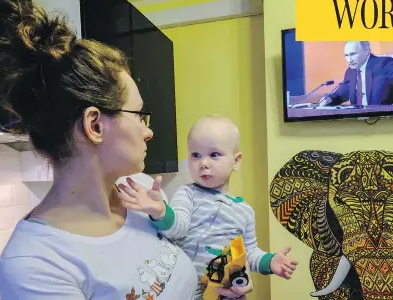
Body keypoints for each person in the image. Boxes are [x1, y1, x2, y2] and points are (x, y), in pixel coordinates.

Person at [0, 0, 251, 300]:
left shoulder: (140, 191)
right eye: (138, 115)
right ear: (95, 126)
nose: (149, 131)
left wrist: (225, 283)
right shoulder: (34, 264)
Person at [117, 115, 298, 299]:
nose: (203, 163)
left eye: (214, 155)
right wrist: (161, 211)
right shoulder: (186, 194)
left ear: (236, 161)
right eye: (196, 155)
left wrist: (270, 261)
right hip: (186, 291)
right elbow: (177, 229)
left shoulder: (245, 211)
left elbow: (249, 254)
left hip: (224, 293)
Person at [319, 41, 393, 107]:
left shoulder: (383, 65)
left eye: (353, 54)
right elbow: (341, 94)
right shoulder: (351, 71)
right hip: (358, 123)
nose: (349, 59)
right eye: (346, 55)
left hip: (385, 123)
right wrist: (329, 99)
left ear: (366, 50)